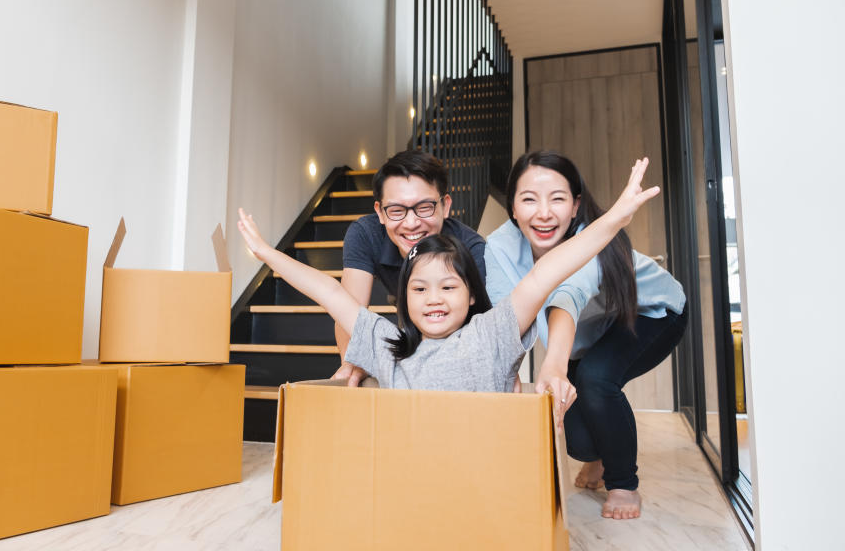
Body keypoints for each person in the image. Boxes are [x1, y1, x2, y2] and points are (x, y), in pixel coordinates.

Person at [237, 158, 659, 393]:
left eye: (449, 286)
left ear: (472, 296)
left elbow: (547, 273)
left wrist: (614, 222)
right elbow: (330, 292)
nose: (434, 298)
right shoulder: (387, 346)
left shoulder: (491, 335)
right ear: (402, 301)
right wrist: (267, 254)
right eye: (419, 289)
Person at [484, 151, 687, 521]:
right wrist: (510, 373)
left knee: (595, 379)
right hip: (587, 333)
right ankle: (598, 456)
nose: (543, 213)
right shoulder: (498, 247)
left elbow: (568, 296)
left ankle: (623, 483)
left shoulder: (595, 237)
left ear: (576, 205)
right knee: (579, 440)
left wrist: (556, 364)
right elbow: (506, 316)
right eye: (529, 199)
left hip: (653, 313)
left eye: (557, 199)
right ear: (512, 206)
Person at [332, 150, 486, 386]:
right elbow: (349, 309)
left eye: (424, 207)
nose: (411, 223)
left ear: (445, 206)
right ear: (380, 212)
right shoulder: (366, 234)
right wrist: (350, 363)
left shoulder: (471, 248)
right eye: (396, 210)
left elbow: (479, 329)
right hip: (408, 320)